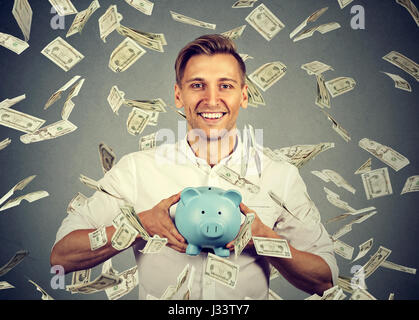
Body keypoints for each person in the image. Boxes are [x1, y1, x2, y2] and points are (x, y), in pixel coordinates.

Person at [50, 34, 338, 300]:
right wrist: (138, 225)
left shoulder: (279, 175)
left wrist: (265, 239)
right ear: (178, 95)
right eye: (197, 85)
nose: (211, 99)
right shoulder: (137, 170)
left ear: (244, 95)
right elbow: (61, 256)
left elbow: (325, 278)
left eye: (225, 85)